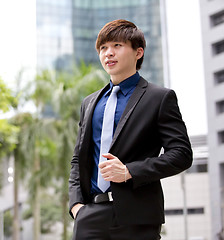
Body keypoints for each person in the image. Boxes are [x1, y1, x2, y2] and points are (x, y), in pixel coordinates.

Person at [68, 19, 193, 240]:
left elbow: (181, 155)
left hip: (138, 217)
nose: (108, 53)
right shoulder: (89, 103)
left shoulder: (160, 98)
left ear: (138, 52)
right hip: (90, 216)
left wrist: (129, 171)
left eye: (117, 45)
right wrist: (76, 205)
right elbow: (79, 158)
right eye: (103, 48)